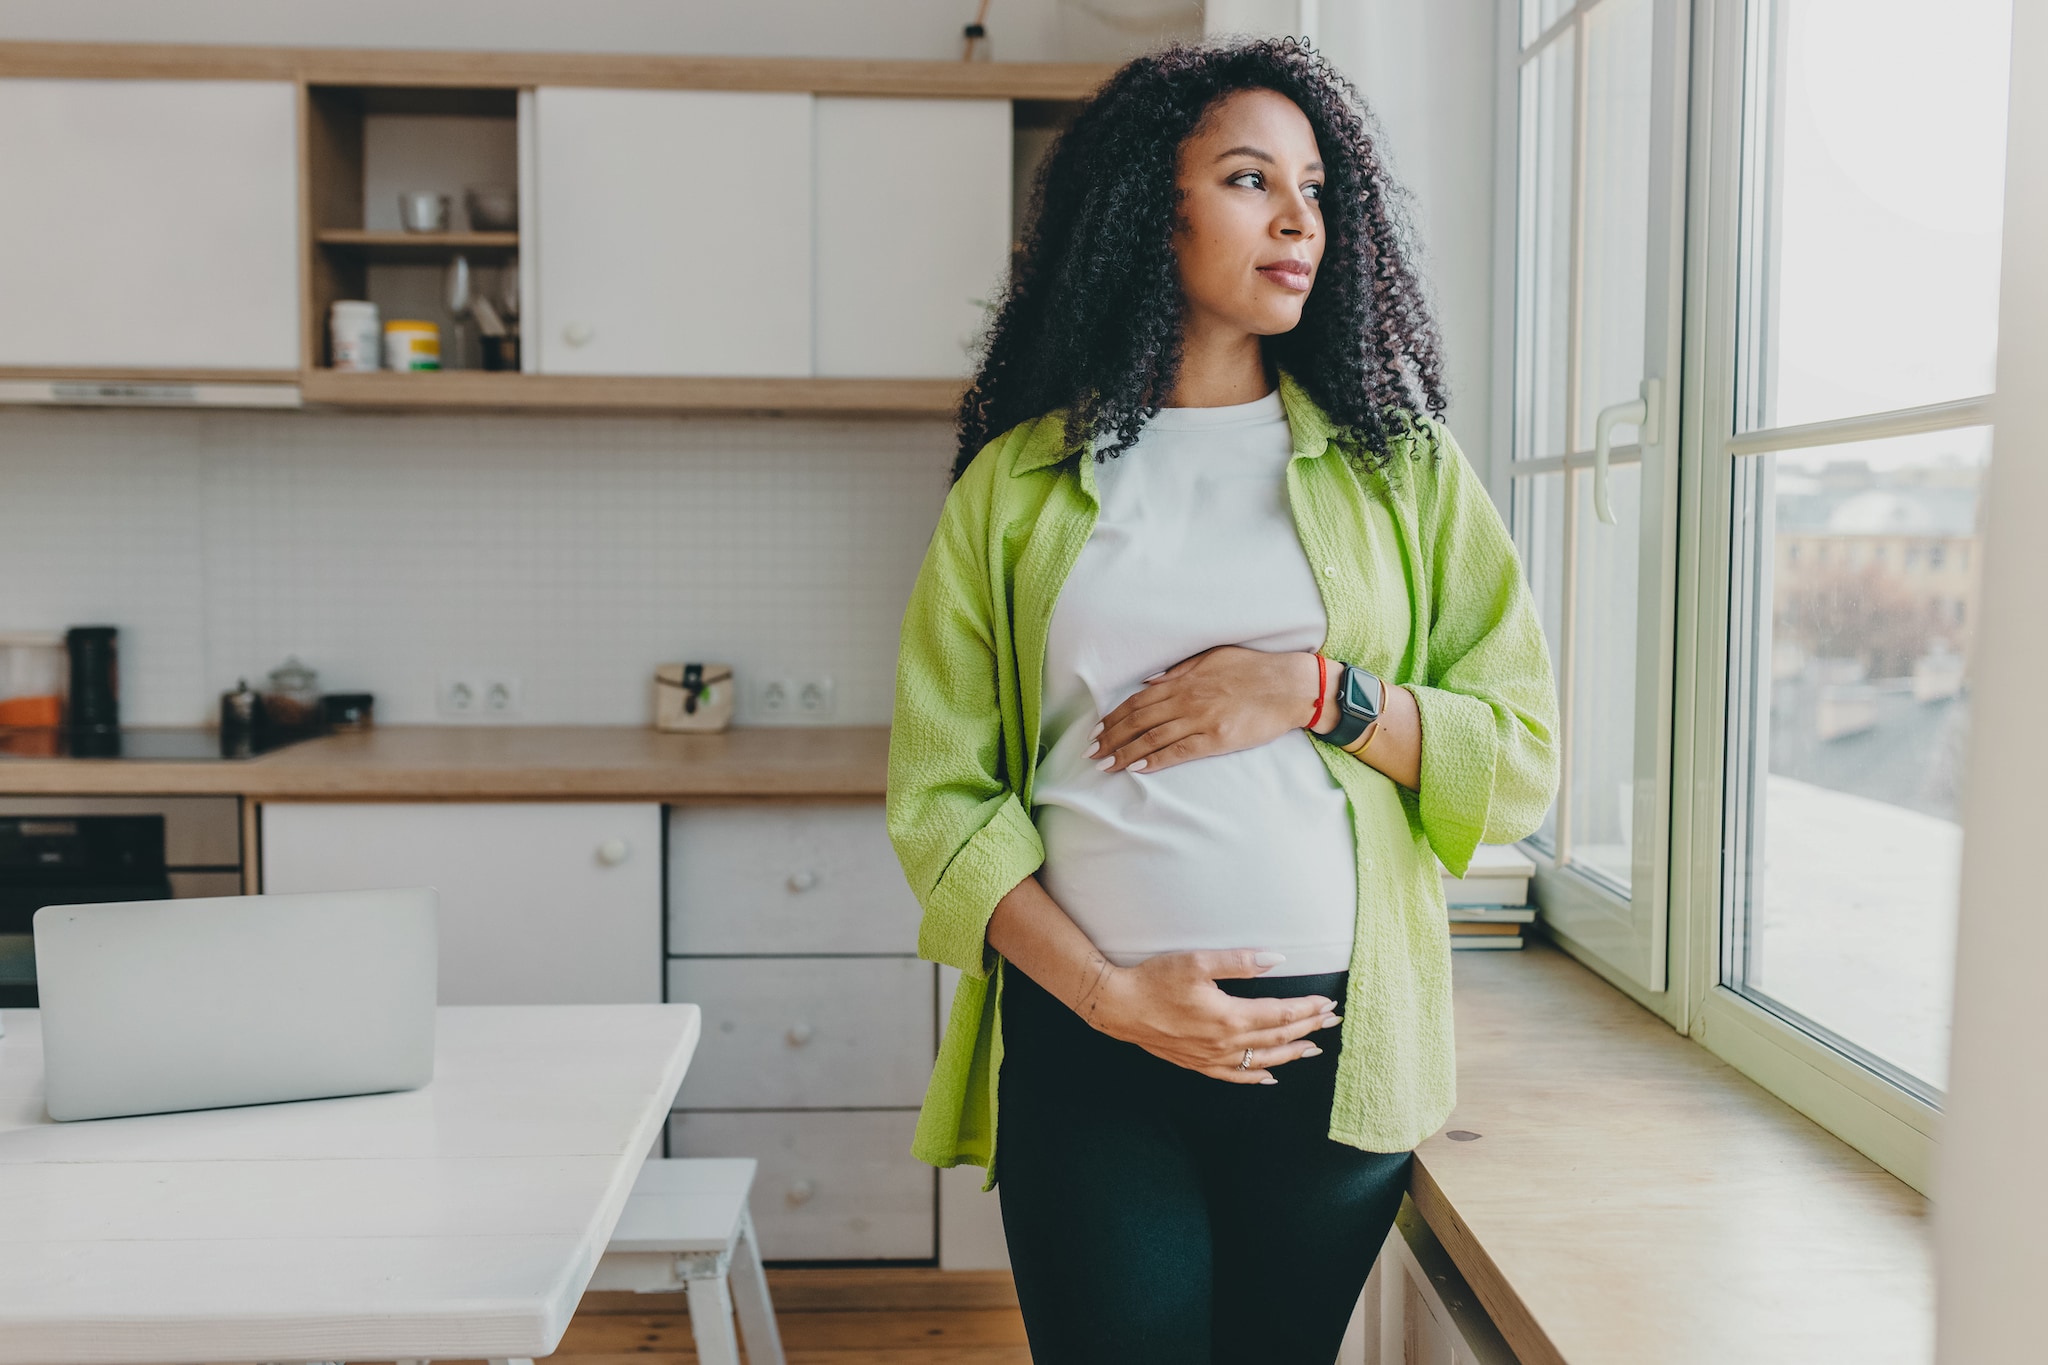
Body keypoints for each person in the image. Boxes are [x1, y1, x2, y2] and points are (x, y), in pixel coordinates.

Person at [885, 35, 1558, 1365]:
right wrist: (1112, 996)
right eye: (1252, 179)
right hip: (1093, 1047)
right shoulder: (1017, 489)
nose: (1300, 219)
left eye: (1317, 188)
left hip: (1334, 1058)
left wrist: (1317, 689)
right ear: (1152, 203)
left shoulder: (1403, 472)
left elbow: (1520, 750)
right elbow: (941, 800)